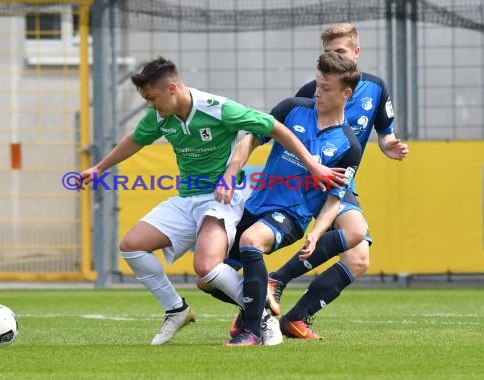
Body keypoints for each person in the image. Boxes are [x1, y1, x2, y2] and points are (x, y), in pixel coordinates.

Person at [77, 56, 346, 345]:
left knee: (206, 267)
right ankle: (175, 309)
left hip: (221, 199)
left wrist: (314, 166)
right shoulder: (160, 117)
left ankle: (259, 317)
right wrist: (100, 168)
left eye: (152, 98)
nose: (150, 105)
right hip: (187, 198)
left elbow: (275, 128)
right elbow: (136, 139)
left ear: (172, 88)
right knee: (131, 247)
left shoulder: (218, 109)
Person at [266, 23, 409, 339]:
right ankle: (272, 285)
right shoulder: (311, 91)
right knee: (355, 235)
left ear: (356, 53)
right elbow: (286, 134)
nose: (333, 58)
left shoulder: (376, 88)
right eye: (328, 53)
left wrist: (391, 147)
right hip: (312, 181)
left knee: (358, 259)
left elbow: (385, 136)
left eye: (340, 52)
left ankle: (295, 317)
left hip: (341, 179)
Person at [212, 51, 364, 346]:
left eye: (326, 88)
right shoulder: (292, 108)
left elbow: (334, 199)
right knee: (207, 277)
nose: (318, 92)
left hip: (291, 216)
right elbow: (250, 140)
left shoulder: (349, 145)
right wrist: (231, 172)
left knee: (250, 241)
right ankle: (259, 308)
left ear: (346, 93)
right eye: (318, 84)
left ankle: (252, 332)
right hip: (254, 206)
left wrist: (317, 234)